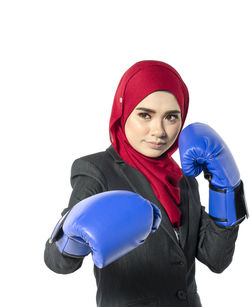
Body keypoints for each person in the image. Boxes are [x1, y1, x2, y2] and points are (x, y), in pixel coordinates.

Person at [44, 60, 248, 307]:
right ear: (123, 111)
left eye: (171, 117)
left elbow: (217, 259)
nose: (159, 131)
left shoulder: (183, 178)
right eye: (145, 115)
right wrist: (72, 239)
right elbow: (58, 263)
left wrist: (226, 189)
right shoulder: (97, 171)